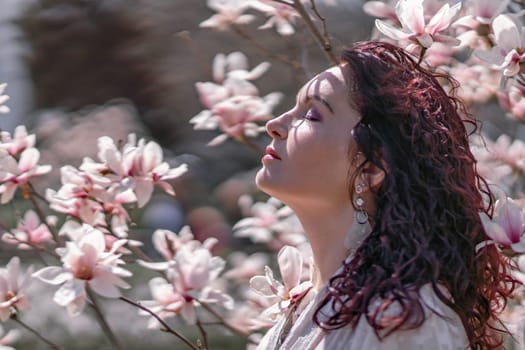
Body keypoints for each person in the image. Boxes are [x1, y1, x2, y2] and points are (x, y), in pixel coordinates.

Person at [254, 41, 517, 350]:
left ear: (371, 167)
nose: (275, 125)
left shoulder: (406, 320)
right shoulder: (300, 309)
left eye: (312, 114)